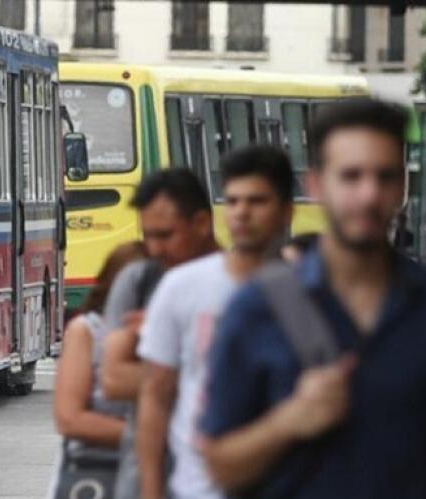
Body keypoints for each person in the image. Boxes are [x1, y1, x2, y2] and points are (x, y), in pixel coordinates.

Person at [199, 99, 426, 499]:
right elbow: (218, 465)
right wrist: (288, 420)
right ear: (316, 184)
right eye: (351, 176)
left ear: (403, 187)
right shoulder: (256, 307)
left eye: (385, 176)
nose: (369, 195)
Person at [135, 146, 295, 499]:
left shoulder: (308, 295)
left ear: (286, 211)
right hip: (198, 488)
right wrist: (150, 490)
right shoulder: (181, 287)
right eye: (233, 201)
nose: (242, 212)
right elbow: (155, 397)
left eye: (257, 201)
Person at [97, 168, 221, 499]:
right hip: (146, 480)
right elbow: (113, 379)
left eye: (165, 235)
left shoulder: (242, 285)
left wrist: (156, 342)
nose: (154, 249)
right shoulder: (139, 281)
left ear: (201, 223)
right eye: (148, 235)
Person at [53, 241, 146, 452]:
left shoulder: (170, 329)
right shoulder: (87, 330)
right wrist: (152, 437)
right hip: (99, 470)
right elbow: (69, 419)